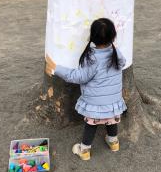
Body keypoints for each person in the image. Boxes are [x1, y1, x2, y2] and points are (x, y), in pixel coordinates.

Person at [45, 18, 127, 161]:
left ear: (92, 37)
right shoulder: (116, 54)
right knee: (111, 120)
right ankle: (114, 142)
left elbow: (78, 76)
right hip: (113, 102)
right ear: (113, 36)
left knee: (91, 125)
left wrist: (56, 68)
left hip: (96, 104)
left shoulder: (92, 59)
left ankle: (84, 150)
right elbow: (123, 63)